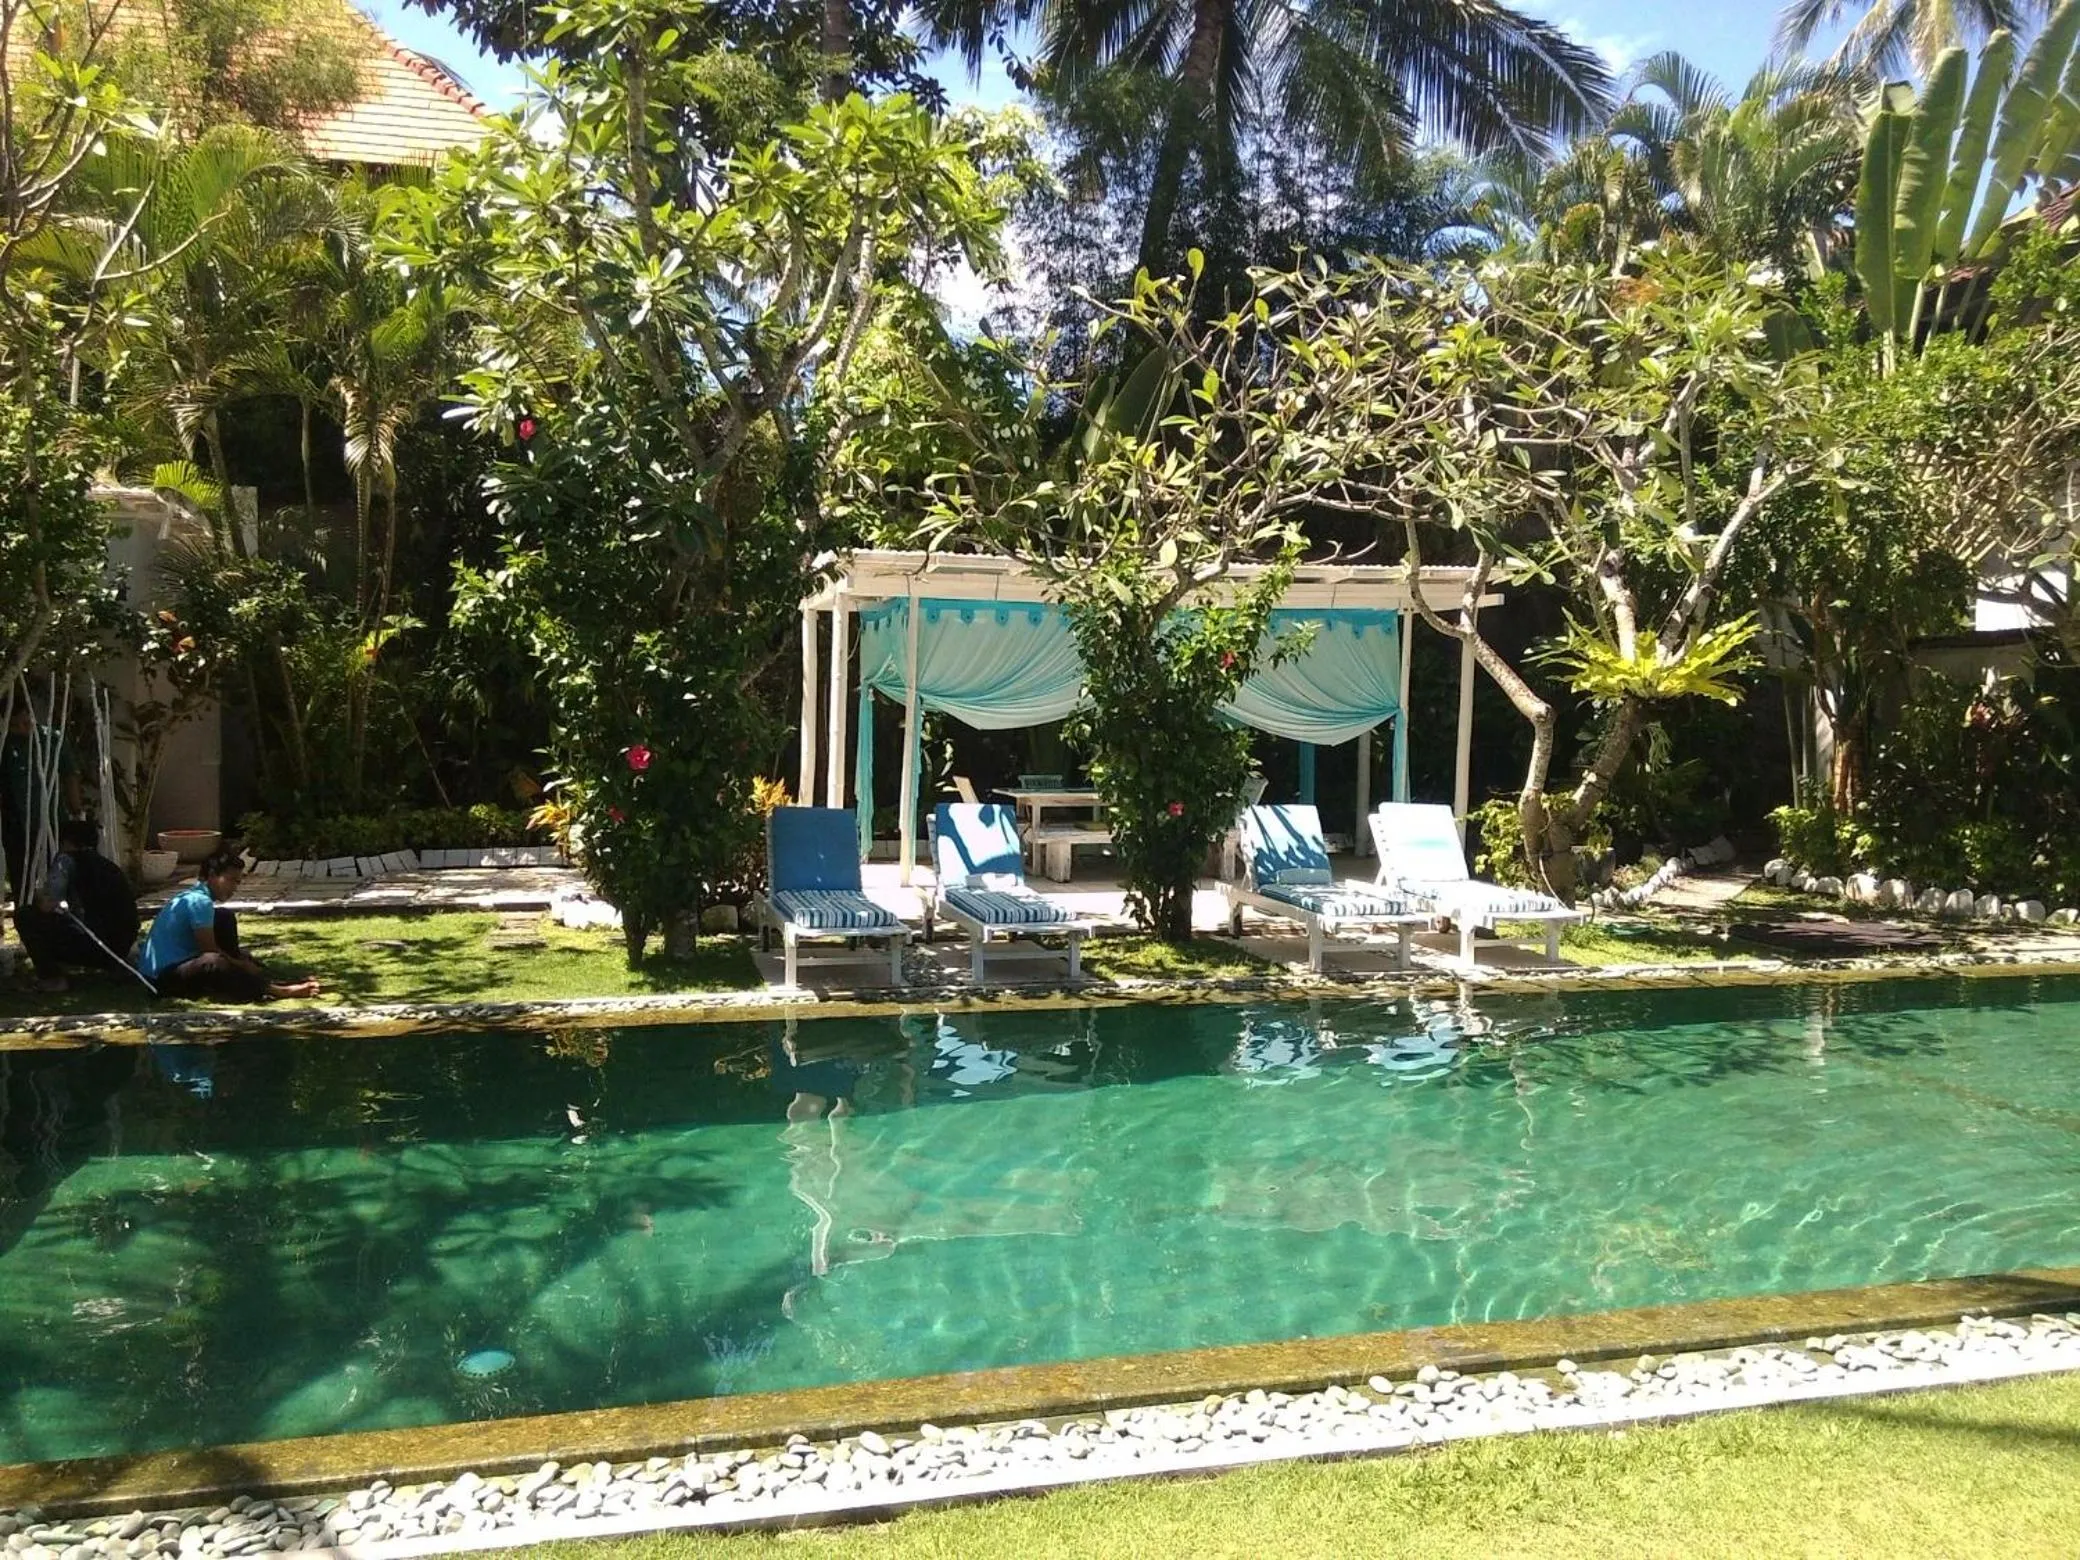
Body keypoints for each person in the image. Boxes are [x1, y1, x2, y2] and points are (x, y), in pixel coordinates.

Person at [138, 849, 321, 1002]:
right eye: (231, 880)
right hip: (160, 980)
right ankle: (278, 991)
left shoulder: (195, 898)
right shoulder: (199, 902)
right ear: (211, 875)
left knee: (224, 917)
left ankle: (271, 981)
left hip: (178, 966)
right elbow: (209, 951)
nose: (235, 887)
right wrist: (241, 964)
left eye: (238, 882)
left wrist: (239, 958)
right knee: (214, 962)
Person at [14, 819, 141, 992]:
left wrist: (37, 893)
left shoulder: (65, 862)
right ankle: (117, 968)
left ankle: (52, 979)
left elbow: (47, 904)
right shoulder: (109, 866)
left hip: (94, 946)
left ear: (66, 842)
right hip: (121, 946)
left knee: (25, 916)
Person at [1, 702, 80, 909]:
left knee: (60, 873)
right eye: (15, 725)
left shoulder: (52, 739)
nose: (22, 729)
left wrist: (77, 810)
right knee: (22, 880)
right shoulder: (5, 744)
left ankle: (64, 918)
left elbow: (70, 776)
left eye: (26, 723)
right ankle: (27, 920)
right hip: (17, 825)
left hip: (53, 820)